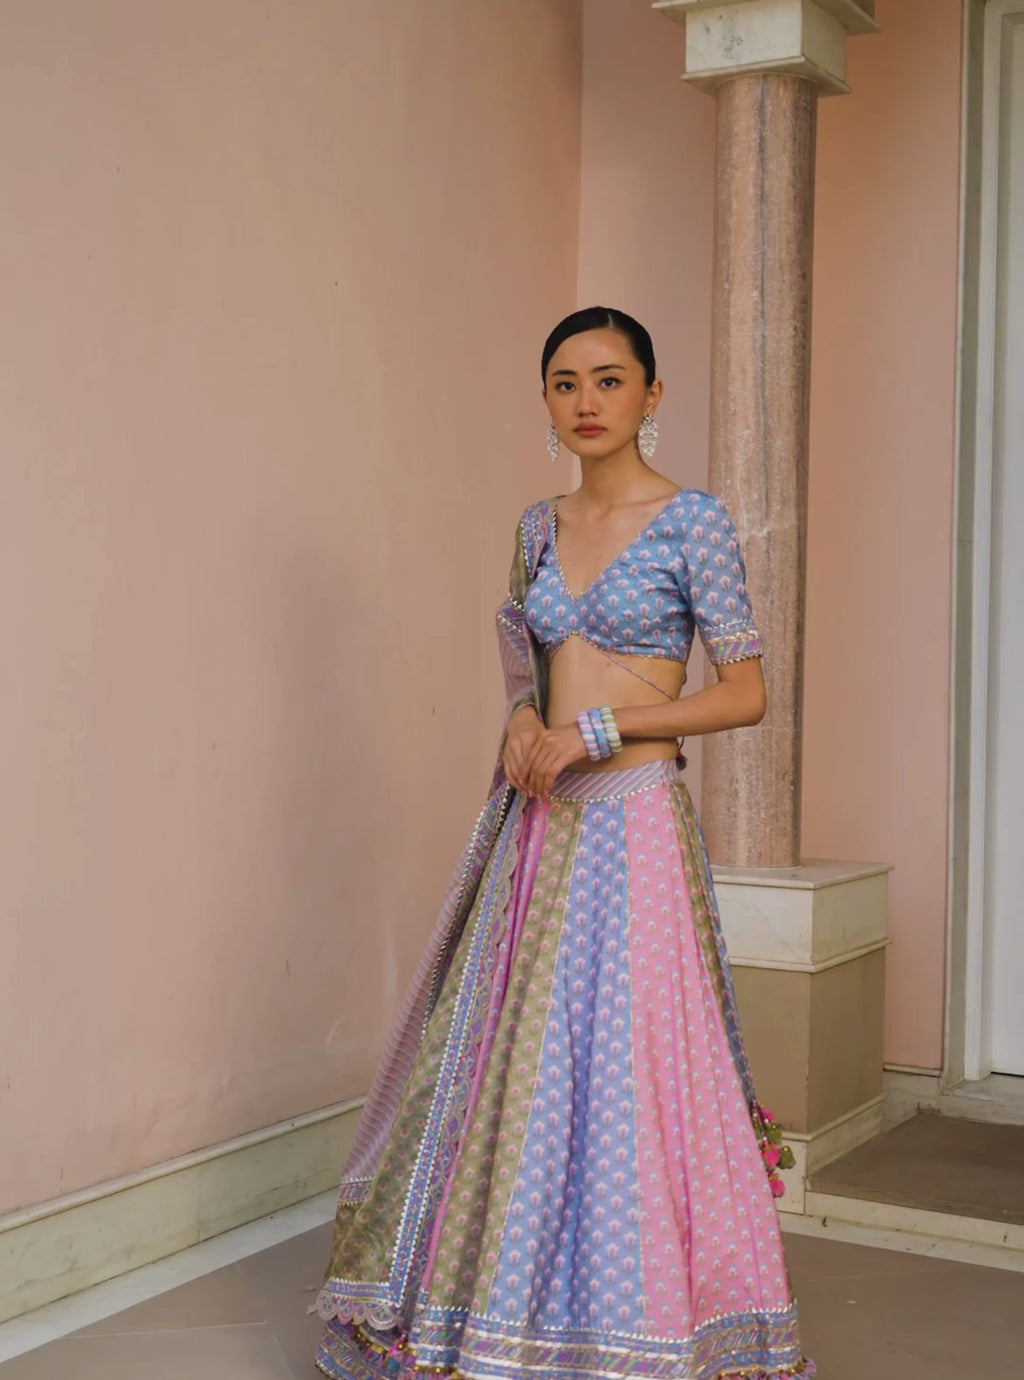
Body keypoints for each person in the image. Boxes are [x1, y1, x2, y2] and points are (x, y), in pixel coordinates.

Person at [315, 307, 814, 1380]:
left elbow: (746, 694)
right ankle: (506, 1312)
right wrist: (519, 723)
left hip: (633, 823)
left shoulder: (692, 522)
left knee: (628, 1068)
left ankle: (633, 1325)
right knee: (513, 1070)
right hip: (538, 829)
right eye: (565, 382)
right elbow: (523, 678)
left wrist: (600, 728)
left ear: (652, 394)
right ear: (546, 400)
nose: (587, 401)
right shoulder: (536, 528)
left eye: (610, 379)